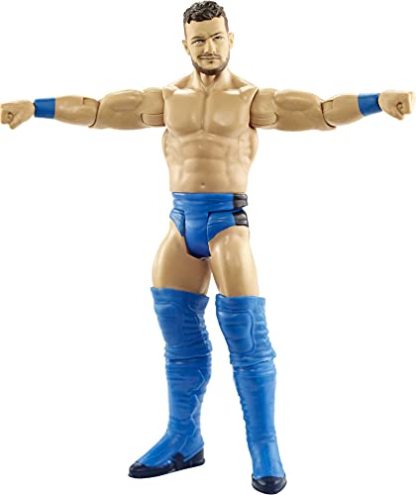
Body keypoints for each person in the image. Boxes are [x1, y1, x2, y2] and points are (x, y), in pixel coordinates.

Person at [1, 1, 413, 493]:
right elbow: (97, 111)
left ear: (231, 39)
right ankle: (184, 437)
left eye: (217, 37)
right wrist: (34, 107)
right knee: (179, 340)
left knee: (247, 339)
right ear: (186, 45)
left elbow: (322, 112)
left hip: (227, 223)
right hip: (179, 223)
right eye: (199, 40)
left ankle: (264, 446)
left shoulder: (250, 99)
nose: (209, 47)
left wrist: (378, 100)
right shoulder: (166, 98)